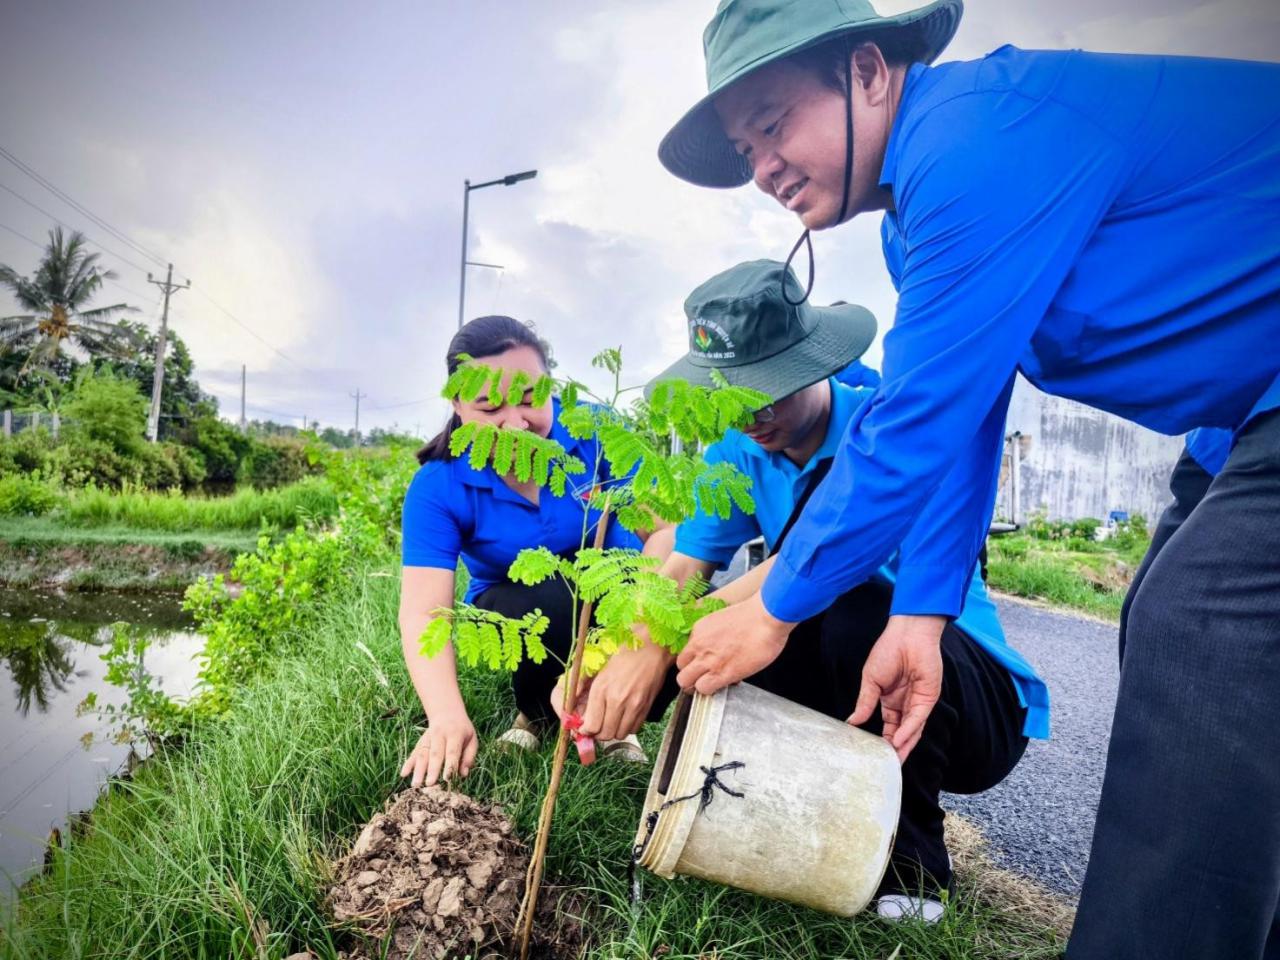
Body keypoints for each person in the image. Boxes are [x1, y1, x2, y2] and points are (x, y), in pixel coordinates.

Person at [656, 2, 1280, 956]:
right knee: (1185, 637)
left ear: (868, 70)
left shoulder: (975, 137)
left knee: (1202, 628)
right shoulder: (917, 219)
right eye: (746, 151)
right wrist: (922, 614)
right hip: (1236, 422)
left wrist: (771, 604)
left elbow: (911, 427)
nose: (764, 167)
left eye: (775, 124)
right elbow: (967, 411)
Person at [557, 259, 1049, 921]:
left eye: (771, 388)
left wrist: (662, 644)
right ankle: (798, 817)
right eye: (734, 397)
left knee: (838, 609)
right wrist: (612, 655)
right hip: (860, 680)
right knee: (728, 642)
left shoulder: (884, 430)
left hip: (962, 692)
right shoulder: (735, 453)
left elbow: (813, 564)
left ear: (817, 363)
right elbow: (682, 569)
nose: (753, 415)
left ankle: (914, 866)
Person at [398, 315, 664, 789]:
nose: (517, 424)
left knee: (653, 600)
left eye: (529, 398)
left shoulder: (595, 432)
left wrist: (644, 624)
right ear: (457, 405)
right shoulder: (439, 485)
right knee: (548, 601)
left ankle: (618, 723)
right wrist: (445, 716)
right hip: (520, 599)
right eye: (489, 407)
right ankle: (536, 715)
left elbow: (666, 535)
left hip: (617, 585)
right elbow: (424, 611)